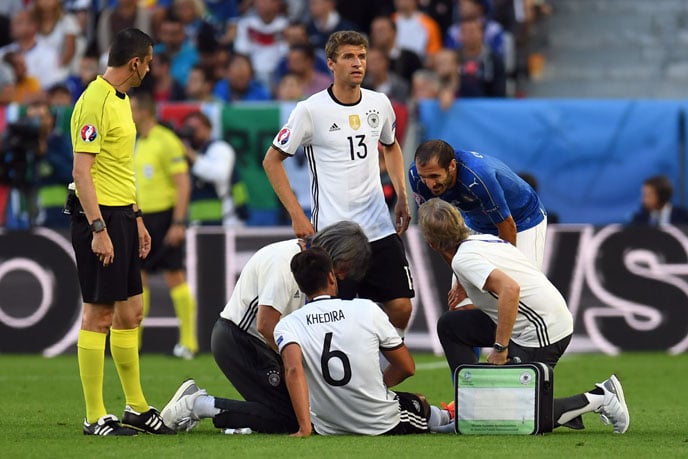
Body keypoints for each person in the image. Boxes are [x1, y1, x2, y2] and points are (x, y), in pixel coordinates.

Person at [417, 198, 630, 434]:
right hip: (540, 317)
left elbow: (511, 289)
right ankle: (471, 409)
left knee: (514, 419)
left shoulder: (464, 259)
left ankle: (600, 397)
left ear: (431, 243)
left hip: (542, 331)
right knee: (451, 326)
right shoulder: (480, 240)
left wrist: (500, 348)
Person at [263, 30, 414, 334]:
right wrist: (296, 214)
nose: (357, 63)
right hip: (334, 233)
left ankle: (378, 376)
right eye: (348, 57)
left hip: (378, 228)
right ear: (331, 63)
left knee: (401, 308)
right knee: (333, 320)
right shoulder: (310, 110)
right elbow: (272, 160)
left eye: (361, 56)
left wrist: (401, 194)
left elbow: (391, 145)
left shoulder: (379, 103)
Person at [160, 221, 372, 434]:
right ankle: (197, 404)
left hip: (262, 343)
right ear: (333, 252)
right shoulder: (285, 262)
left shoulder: (307, 265)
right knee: (290, 418)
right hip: (240, 341)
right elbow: (266, 324)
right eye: (342, 269)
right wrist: (298, 362)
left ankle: (237, 420)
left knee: (305, 412)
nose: (341, 277)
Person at [69, 27, 174, 436]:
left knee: (131, 314)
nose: (150, 67)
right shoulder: (93, 101)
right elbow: (82, 171)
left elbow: (118, 166)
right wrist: (98, 228)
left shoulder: (122, 100)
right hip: (100, 219)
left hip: (123, 217)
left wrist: (137, 216)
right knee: (99, 315)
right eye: (148, 61)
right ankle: (94, 416)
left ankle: (136, 407)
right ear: (135, 63)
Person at [275, 246, 455, 436]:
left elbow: (293, 369)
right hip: (380, 423)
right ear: (331, 277)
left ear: (300, 285)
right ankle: (444, 416)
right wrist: (373, 387)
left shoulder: (288, 324)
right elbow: (407, 367)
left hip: (328, 427)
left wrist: (304, 428)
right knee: (419, 402)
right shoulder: (366, 309)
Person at [409, 138, 547, 271]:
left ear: (451, 166)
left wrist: (506, 272)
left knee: (519, 283)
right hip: (477, 221)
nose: (429, 184)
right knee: (467, 289)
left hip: (522, 220)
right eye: (424, 177)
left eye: (435, 176)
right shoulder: (416, 176)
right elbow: (435, 233)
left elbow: (507, 225)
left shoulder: (478, 176)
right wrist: (460, 277)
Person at [130, 92, 197, 360]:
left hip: (165, 217)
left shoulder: (166, 140)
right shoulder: (137, 142)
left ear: (145, 111)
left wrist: (178, 222)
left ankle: (189, 343)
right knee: (139, 279)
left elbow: (183, 183)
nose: (129, 114)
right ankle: (134, 345)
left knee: (174, 276)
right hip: (142, 218)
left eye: (133, 108)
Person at [180, 110, 242, 227]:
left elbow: (220, 175)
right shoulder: (185, 155)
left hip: (224, 221)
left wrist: (190, 154)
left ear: (208, 128)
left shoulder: (220, 148)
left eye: (196, 128)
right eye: (189, 128)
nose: (193, 133)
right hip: (196, 222)